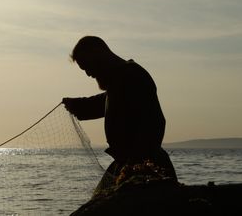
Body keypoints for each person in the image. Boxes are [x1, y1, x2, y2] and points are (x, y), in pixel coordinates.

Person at [62, 36, 177, 194]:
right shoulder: (119, 81)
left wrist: (138, 164)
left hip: (146, 167)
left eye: (87, 66)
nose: (88, 74)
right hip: (125, 165)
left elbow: (156, 122)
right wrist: (78, 105)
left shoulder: (133, 76)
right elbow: (106, 102)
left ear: (99, 54)